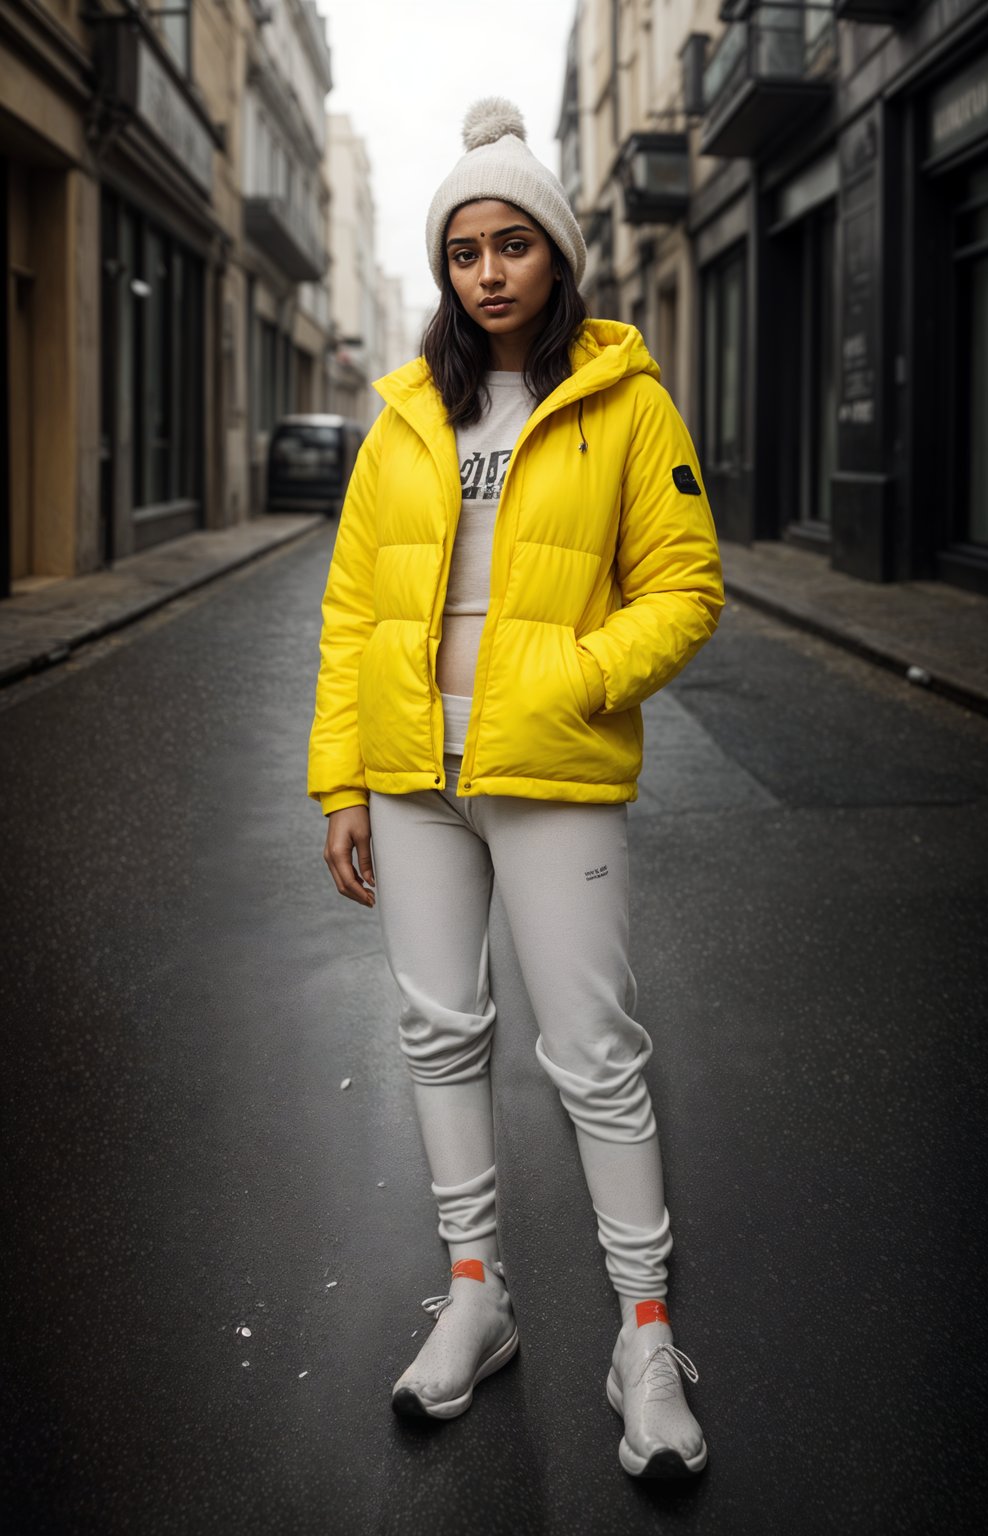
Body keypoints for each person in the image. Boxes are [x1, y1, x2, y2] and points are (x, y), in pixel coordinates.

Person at [308, 97, 723, 1479]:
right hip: (413, 771)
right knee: (439, 1035)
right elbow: (355, 605)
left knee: (595, 1056)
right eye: (464, 252)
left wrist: (575, 684)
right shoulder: (408, 414)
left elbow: (686, 587)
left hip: (551, 766)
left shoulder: (621, 398)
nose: (487, 272)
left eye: (512, 245)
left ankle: (645, 1338)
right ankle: (475, 1297)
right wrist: (342, 783)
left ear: (555, 253)